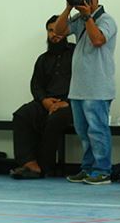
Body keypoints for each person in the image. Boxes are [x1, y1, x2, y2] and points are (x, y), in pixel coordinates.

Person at [53, 0, 118, 186]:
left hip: (98, 87)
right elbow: (58, 31)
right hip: (78, 88)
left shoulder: (107, 20)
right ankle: (88, 168)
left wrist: (88, 16)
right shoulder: (78, 18)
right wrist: (68, 8)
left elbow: (97, 40)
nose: (82, 0)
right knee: (83, 133)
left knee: (97, 131)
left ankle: (102, 171)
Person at [10, 15, 73, 179]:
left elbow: (84, 83)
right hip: (46, 102)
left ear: (66, 31)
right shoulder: (43, 59)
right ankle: (29, 163)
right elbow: (36, 86)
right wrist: (45, 101)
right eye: (50, 31)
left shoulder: (77, 54)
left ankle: (45, 167)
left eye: (57, 30)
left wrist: (66, 102)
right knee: (22, 114)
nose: (54, 34)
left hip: (71, 105)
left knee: (55, 119)